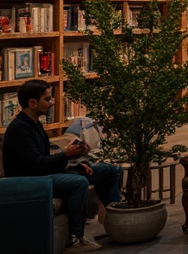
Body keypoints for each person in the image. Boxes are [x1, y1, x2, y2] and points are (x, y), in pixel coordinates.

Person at [3, 80, 122, 251]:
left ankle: (116, 223)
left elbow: (47, 158)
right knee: (79, 183)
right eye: (48, 99)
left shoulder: (35, 124)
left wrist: (77, 163)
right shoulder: (20, 129)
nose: (52, 103)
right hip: (30, 181)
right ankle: (75, 239)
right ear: (32, 103)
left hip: (45, 173)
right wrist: (66, 155)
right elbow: (36, 165)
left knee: (109, 171)